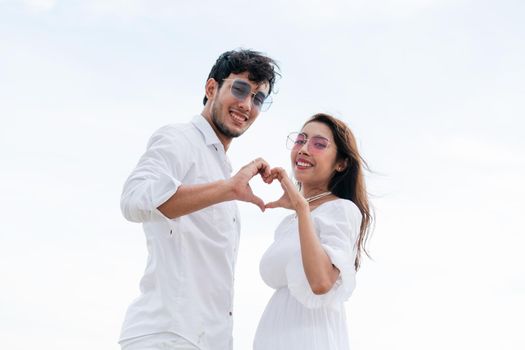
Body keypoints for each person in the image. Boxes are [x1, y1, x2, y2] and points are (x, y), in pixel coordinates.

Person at [118, 49, 279, 350]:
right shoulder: (179, 138)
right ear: (211, 89)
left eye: (258, 98)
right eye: (240, 89)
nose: (247, 104)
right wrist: (228, 189)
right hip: (167, 335)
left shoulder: (221, 166)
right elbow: (134, 198)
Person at [254, 113, 373, 350]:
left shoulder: (341, 210)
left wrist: (301, 206)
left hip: (310, 339)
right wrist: (301, 211)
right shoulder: (290, 222)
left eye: (319, 144)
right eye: (300, 140)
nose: (304, 149)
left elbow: (320, 282)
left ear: (341, 163)